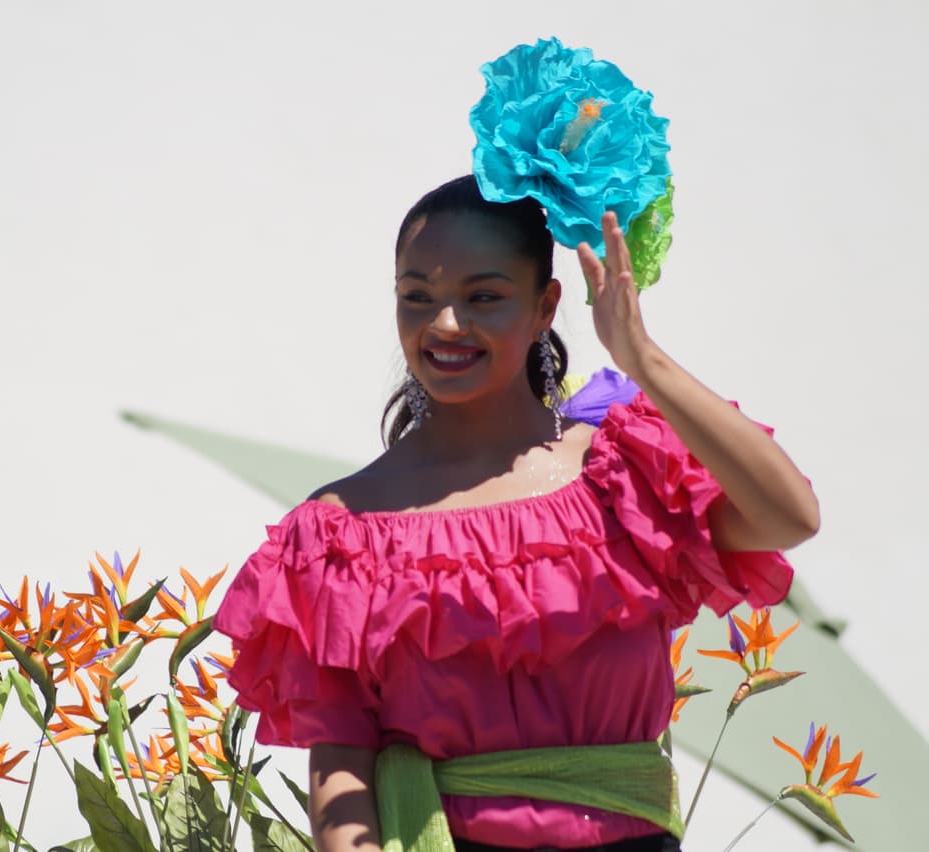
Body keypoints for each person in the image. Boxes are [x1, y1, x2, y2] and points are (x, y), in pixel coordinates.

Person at [212, 176, 819, 851]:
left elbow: (787, 517)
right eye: (418, 297)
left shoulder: (621, 477)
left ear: (544, 306)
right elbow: (342, 772)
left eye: (484, 297)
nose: (446, 324)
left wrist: (641, 357)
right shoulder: (338, 534)